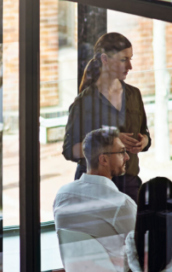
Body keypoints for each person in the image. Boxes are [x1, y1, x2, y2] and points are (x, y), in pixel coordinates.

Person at [54, 127, 151, 272]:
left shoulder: (63, 194)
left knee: (117, 256)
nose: (127, 157)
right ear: (104, 159)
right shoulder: (120, 203)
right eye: (122, 152)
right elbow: (143, 249)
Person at [62, 33, 151, 198]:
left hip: (129, 185)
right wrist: (111, 142)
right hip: (94, 188)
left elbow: (145, 134)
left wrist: (143, 141)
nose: (130, 66)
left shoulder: (134, 94)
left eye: (131, 59)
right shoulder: (84, 102)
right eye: (124, 60)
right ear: (105, 59)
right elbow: (70, 150)